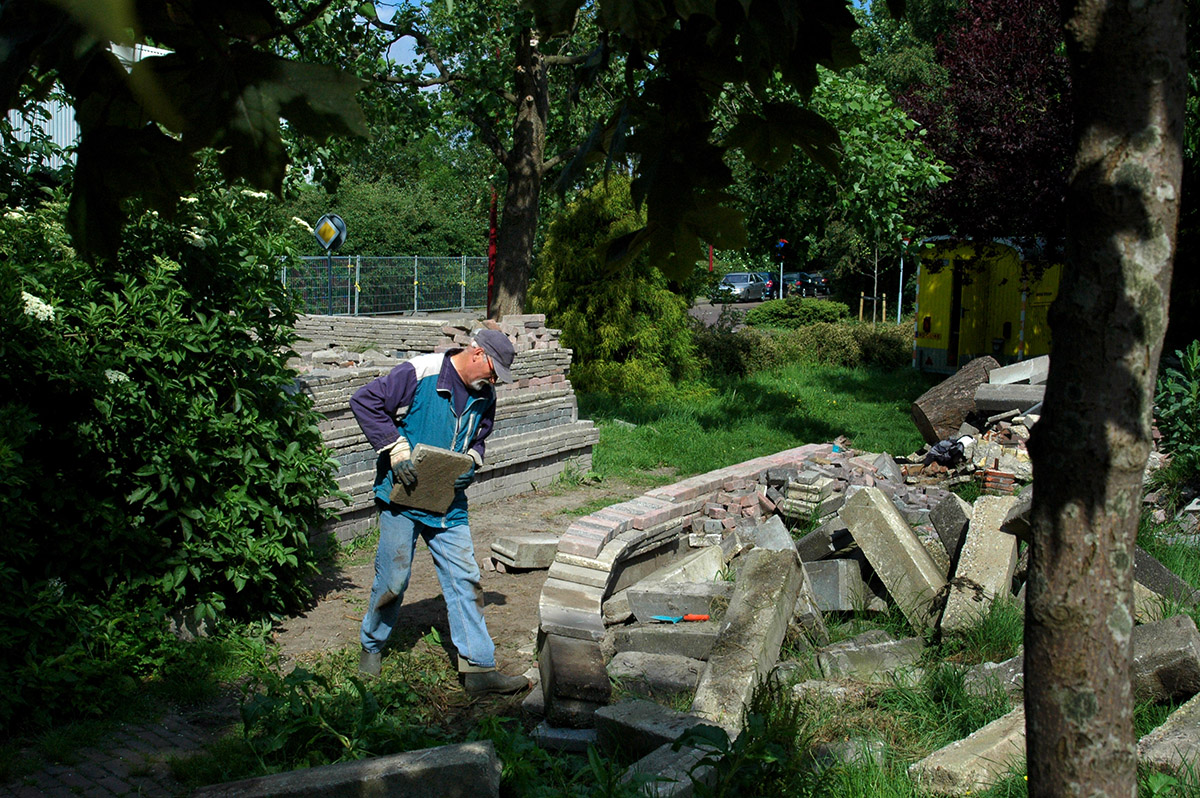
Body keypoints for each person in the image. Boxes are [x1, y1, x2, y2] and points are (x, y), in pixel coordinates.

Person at [349, 328, 529, 695]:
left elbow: (481, 435)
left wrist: (471, 462)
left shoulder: (485, 394)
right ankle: (371, 646)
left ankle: (478, 668)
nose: (494, 382)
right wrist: (395, 448)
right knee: (394, 579)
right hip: (404, 494)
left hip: (446, 498)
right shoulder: (422, 371)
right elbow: (364, 401)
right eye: (493, 372)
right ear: (477, 353)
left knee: (465, 577)